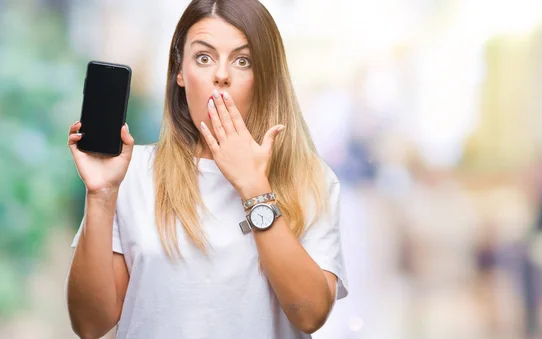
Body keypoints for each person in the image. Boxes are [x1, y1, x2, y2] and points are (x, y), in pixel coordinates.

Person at [64, 1, 348, 338]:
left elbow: (311, 313)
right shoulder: (132, 173)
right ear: (180, 71)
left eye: (243, 61)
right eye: (203, 57)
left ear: (266, 75)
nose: (222, 75)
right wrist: (101, 194)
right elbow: (90, 324)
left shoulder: (311, 179)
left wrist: (254, 188)